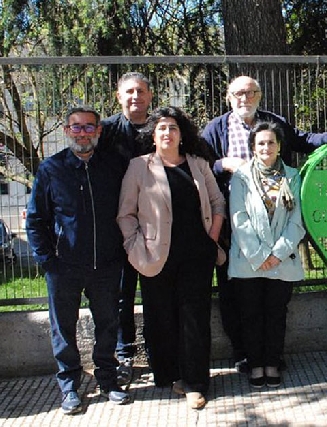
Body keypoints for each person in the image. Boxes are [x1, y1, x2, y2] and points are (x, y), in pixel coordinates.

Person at [201, 75, 327, 372]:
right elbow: (199, 162)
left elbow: (302, 139)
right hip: (236, 227)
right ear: (228, 97)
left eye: (251, 92)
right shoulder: (216, 128)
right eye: (238, 93)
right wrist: (223, 165)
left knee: (274, 298)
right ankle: (244, 353)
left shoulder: (273, 122)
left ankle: (272, 355)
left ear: (259, 95)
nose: (244, 98)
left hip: (276, 222)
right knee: (234, 294)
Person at [117, 106, 225, 409]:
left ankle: (195, 383)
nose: (167, 132)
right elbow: (125, 214)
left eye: (173, 127)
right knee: (160, 316)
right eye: (162, 128)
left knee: (194, 319)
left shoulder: (198, 165)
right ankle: (168, 375)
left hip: (196, 255)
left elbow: (218, 203)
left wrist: (211, 238)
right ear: (153, 135)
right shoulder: (139, 166)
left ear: (181, 134)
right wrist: (134, 247)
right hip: (154, 255)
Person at [26, 107, 131, 414]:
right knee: (64, 328)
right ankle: (69, 385)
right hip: (64, 267)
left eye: (89, 128)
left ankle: (109, 380)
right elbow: (36, 221)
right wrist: (48, 260)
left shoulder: (114, 166)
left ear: (98, 132)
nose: (83, 133)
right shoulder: (51, 169)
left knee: (108, 324)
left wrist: (122, 254)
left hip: (108, 265)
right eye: (76, 128)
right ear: (66, 131)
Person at [228, 121, 305, 388]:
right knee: (250, 315)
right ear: (253, 147)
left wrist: (278, 254)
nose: (266, 147)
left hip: (282, 261)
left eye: (271, 142)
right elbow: (238, 218)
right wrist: (260, 255)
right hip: (248, 262)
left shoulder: (293, 177)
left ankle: (272, 363)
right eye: (260, 143)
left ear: (280, 146)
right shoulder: (241, 177)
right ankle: (255, 364)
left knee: (275, 315)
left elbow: (297, 221)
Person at [99, 71, 153, 386]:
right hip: (117, 225)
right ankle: (125, 352)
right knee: (122, 293)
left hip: (156, 224)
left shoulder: (161, 127)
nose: (135, 97)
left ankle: (158, 349)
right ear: (119, 97)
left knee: (157, 290)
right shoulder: (105, 131)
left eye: (141, 91)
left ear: (150, 96)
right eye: (129, 92)